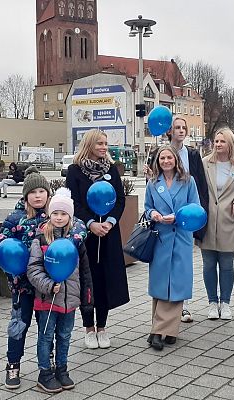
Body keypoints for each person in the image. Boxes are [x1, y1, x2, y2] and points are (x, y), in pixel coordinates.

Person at [66, 129, 129, 350]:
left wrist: (110, 222)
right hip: (85, 235)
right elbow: (73, 202)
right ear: (89, 145)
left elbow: (120, 200)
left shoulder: (111, 169)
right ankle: (88, 328)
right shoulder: (75, 171)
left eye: (105, 144)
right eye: (99, 143)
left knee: (105, 280)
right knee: (88, 280)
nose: (104, 147)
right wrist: (91, 223)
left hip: (109, 234)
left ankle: (102, 326)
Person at [27, 188, 92, 393]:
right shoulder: (41, 239)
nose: (59, 217)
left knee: (64, 335)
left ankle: (62, 370)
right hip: (47, 298)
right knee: (46, 336)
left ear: (70, 216)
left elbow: (84, 271)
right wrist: (48, 285)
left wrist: (86, 298)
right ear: (49, 214)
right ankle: (44, 372)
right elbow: (33, 268)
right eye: (55, 213)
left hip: (69, 300)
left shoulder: (76, 241)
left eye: (64, 214)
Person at [0, 166, 51, 389]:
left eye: (42, 191)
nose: (38, 196)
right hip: (22, 286)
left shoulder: (53, 217)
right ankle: (12, 365)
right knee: (19, 325)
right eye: (33, 192)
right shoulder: (15, 219)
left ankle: (47, 365)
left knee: (47, 328)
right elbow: (2, 246)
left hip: (47, 285)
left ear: (48, 194)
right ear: (26, 195)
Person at [144, 146, 200, 350]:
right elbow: (148, 208)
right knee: (161, 283)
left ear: (176, 160)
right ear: (157, 161)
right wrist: (154, 215)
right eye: (162, 158)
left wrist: (178, 216)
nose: (166, 161)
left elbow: (196, 207)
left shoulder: (188, 181)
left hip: (181, 236)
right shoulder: (152, 183)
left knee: (177, 282)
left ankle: (158, 331)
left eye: (169, 157)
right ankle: (168, 330)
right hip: (160, 237)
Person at [199, 127, 234, 320]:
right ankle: (212, 302)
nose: (218, 145)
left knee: (227, 264)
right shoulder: (205, 164)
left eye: (222, 141)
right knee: (208, 264)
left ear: (230, 144)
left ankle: (226, 303)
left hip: (228, 220)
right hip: (207, 219)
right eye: (216, 141)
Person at [166, 117, 209, 323]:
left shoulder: (192, 154)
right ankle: (165, 303)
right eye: (177, 127)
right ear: (170, 131)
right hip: (165, 215)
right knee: (166, 261)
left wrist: (201, 215)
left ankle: (184, 305)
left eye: (184, 128)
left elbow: (201, 184)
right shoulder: (162, 154)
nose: (181, 131)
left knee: (184, 262)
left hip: (186, 216)